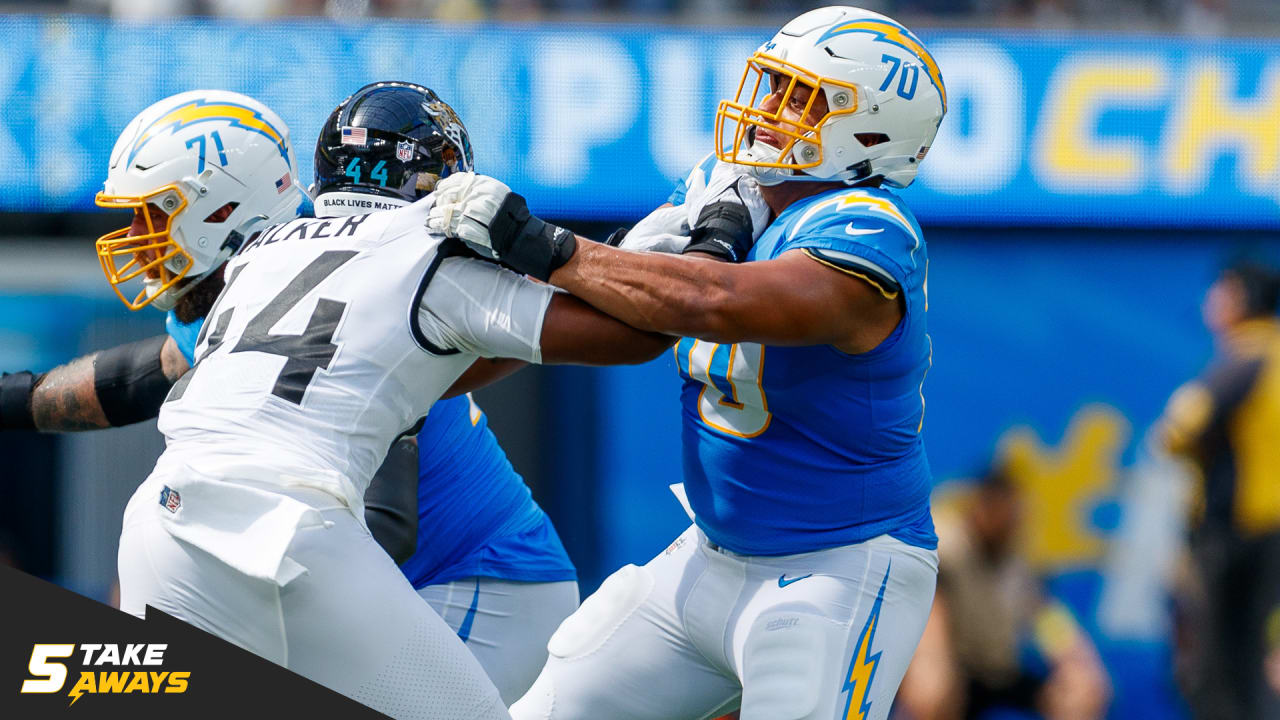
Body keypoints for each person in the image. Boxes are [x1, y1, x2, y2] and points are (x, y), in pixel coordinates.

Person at [58, 87, 672, 719]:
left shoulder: (256, 258)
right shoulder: (431, 258)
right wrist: (556, 247)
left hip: (163, 517)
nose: (139, 234)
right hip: (293, 524)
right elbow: (635, 333)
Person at [429, 6, 946, 719]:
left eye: (804, 98)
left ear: (874, 129)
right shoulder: (726, 184)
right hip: (709, 557)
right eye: (773, 87)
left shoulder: (871, 230)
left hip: (838, 569)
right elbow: (613, 301)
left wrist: (539, 242)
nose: (769, 111)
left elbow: (714, 302)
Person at [1155, 256, 1280, 720]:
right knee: (1251, 665)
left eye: (1222, 291)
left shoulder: (1247, 357)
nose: (1212, 301)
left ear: (1242, 298)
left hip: (1238, 536)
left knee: (1216, 671)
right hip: (1266, 534)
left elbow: (1178, 428)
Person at [893, 468, 1111, 720]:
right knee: (930, 686)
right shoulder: (947, 546)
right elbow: (931, 614)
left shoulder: (1019, 565)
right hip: (954, 670)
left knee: (1081, 690)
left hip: (1000, 673)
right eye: (997, 508)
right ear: (980, 506)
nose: (1006, 520)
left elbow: (1048, 619)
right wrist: (934, 664)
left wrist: (1078, 662)